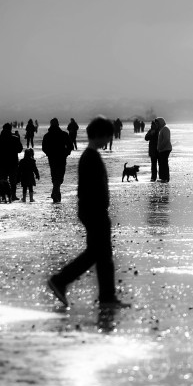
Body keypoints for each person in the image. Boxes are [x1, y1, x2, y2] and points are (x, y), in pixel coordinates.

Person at [47, 117, 128, 309]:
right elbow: (89, 190)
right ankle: (60, 280)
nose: (109, 140)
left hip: (93, 211)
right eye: (107, 137)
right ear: (100, 135)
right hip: (94, 212)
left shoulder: (90, 155)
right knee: (98, 253)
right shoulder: (90, 157)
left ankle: (106, 297)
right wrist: (99, 211)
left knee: (102, 254)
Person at [42, 118, 73, 202]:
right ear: (58, 124)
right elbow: (70, 146)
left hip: (52, 158)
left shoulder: (47, 135)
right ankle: (55, 193)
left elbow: (44, 148)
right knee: (59, 177)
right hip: (61, 158)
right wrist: (66, 153)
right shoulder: (64, 134)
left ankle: (55, 193)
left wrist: (49, 153)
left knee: (54, 176)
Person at [0, 122, 23, 201]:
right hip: (12, 162)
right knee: (13, 180)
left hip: (1, 162)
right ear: (10, 129)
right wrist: (18, 138)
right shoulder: (15, 139)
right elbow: (20, 150)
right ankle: (13, 195)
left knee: (2, 179)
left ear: (3, 129)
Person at [145, 117, 164, 182]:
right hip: (153, 150)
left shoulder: (160, 131)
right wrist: (151, 134)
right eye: (152, 125)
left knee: (160, 164)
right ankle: (153, 177)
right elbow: (146, 138)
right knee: (154, 165)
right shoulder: (151, 131)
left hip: (159, 150)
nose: (152, 126)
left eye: (154, 124)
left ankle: (160, 177)